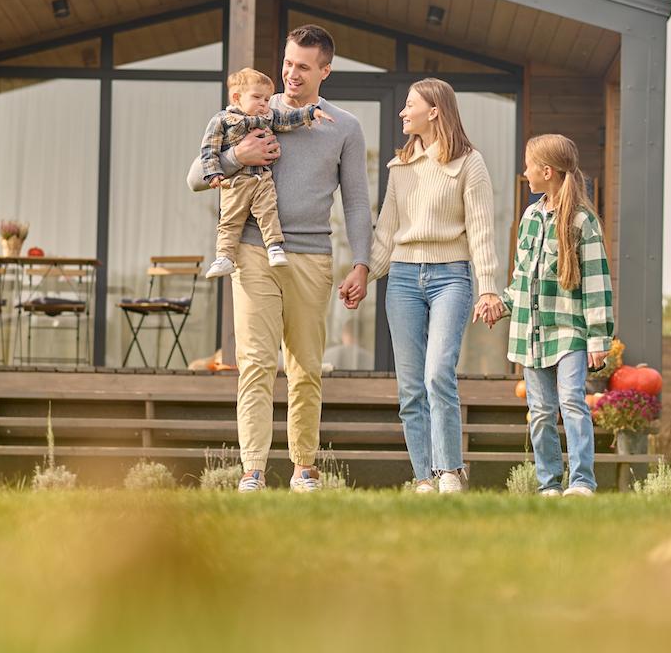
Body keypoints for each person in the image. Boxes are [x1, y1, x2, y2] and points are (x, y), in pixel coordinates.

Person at [186, 25, 371, 493]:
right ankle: (252, 470)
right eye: (287, 62)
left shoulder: (344, 127)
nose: (290, 73)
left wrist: (363, 263)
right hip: (251, 251)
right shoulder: (250, 115)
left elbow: (354, 202)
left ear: (324, 71)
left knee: (306, 367)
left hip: (311, 258)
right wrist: (235, 156)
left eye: (303, 67)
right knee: (255, 363)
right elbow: (194, 177)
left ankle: (303, 467)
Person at [351, 78, 504, 493]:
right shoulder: (400, 168)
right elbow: (386, 231)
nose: (402, 112)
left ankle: (449, 470)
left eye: (409, 105)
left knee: (438, 373)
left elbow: (481, 230)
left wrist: (488, 286)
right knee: (410, 386)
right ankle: (423, 476)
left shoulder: (468, 163)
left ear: (434, 110)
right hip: (401, 279)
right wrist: (364, 271)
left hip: (450, 276)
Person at [492, 133, 613, 497]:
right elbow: (521, 277)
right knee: (542, 411)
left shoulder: (582, 222)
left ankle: (581, 481)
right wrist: (501, 304)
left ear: (547, 171)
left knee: (572, 402)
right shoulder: (530, 217)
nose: (524, 172)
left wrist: (598, 338)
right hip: (532, 333)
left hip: (570, 331)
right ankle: (549, 484)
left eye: (529, 165)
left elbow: (596, 283)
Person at [200, 67, 330, 277]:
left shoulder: (268, 117)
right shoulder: (222, 120)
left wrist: (310, 112)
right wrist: (214, 173)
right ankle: (224, 257)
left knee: (268, 212)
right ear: (237, 97)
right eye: (257, 97)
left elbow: (288, 119)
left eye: (267, 99)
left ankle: (274, 247)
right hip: (235, 183)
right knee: (229, 220)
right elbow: (209, 149)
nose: (263, 103)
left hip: (261, 179)